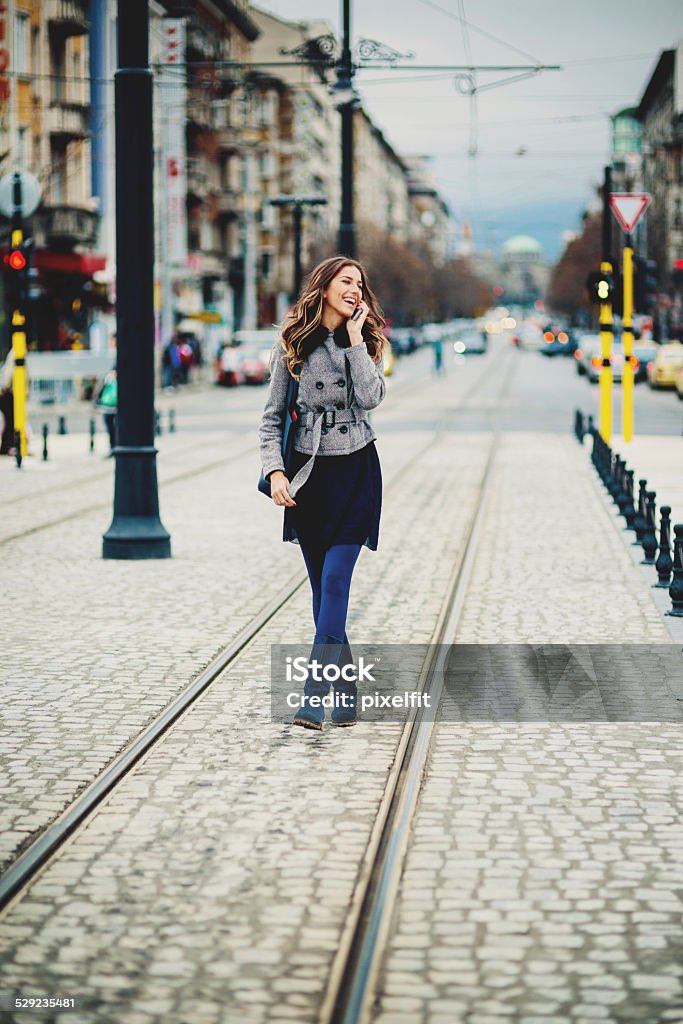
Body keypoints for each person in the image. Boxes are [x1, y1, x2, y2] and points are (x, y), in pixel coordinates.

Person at [259, 255, 387, 731]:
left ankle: (314, 696)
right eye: (346, 281)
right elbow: (272, 417)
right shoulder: (292, 344)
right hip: (309, 477)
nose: (355, 289)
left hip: (356, 471)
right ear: (325, 286)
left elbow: (372, 399)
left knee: (335, 584)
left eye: (360, 283)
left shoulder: (367, 341)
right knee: (320, 594)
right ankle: (348, 688)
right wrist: (275, 473)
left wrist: (354, 340)